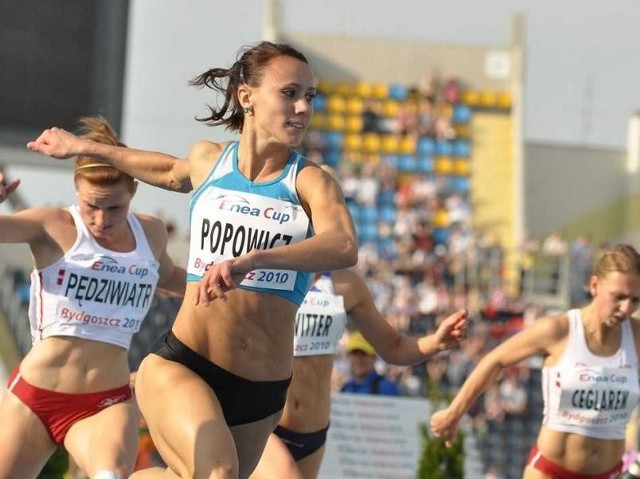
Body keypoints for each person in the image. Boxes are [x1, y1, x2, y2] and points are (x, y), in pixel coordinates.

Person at [27, 40, 359, 479]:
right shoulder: (210, 161)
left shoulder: (311, 183)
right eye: (289, 93)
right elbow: (164, 169)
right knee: (216, 474)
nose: (302, 107)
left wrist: (254, 260)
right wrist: (85, 148)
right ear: (247, 97)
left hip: (260, 391)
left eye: (309, 97)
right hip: (185, 364)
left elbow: (344, 246)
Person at [0, 117, 186, 479]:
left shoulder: (150, 233)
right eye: (91, 206)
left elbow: (169, 278)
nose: (101, 219)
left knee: (109, 475)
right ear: (76, 190)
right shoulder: (51, 225)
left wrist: (231, 284)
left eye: (114, 208)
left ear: (132, 190)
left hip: (104, 401)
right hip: (37, 397)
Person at [430, 243, 640, 479]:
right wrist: (453, 413)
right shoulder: (558, 330)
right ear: (594, 285)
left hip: (611, 473)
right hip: (552, 471)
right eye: (618, 297)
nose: (626, 308)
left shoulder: (636, 336)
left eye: (635, 300)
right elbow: (495, 360)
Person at [249, 268, 468, 479]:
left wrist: (437, 342)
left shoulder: (346, 285)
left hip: (313, 435)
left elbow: (394, 347)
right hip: (268, 428)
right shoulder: (267, 274)